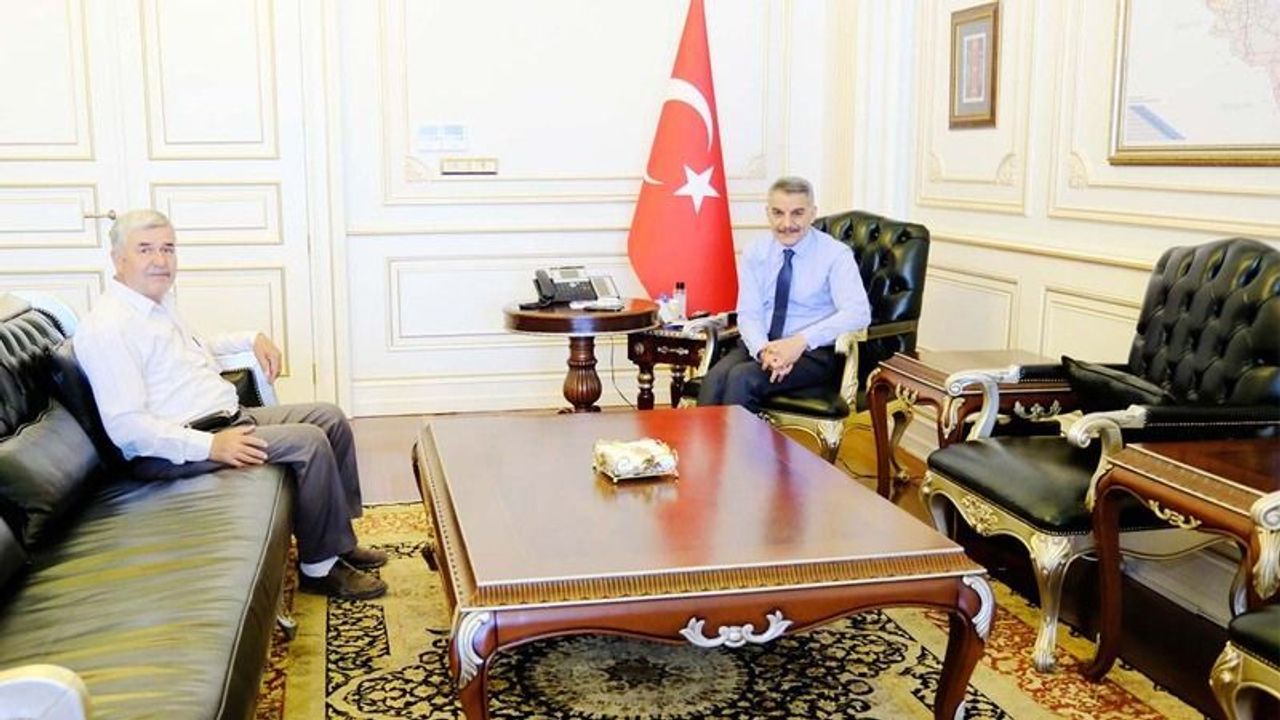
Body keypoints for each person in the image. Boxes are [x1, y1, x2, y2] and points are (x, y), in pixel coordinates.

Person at [74, 209, 388, 600]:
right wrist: (212, 446)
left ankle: (338, 541)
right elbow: (128, 429)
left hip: (225, 419)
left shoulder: (156, 305)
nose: (160, 260)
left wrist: (250, 338)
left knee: (330, 417)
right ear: (118, 258)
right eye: (146, 249)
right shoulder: (108, 328)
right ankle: (319, 568)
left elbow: (193, 353)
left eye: (168, 249)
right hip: (175, 449)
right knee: (308, 441)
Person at [697, 176, 870, 412]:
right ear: (768, 213)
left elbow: (858, 312)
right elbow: (749, 313)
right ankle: (707, 440)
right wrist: (763, 351)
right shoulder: (756, 251)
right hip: (764, 344)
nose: (787, 224)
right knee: (714, 379)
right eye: (778, 213)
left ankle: (741, 440)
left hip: (814, 353)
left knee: (742, 379)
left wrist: (799, 342)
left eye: (797, 213)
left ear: (812, 213)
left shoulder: (835, 255)